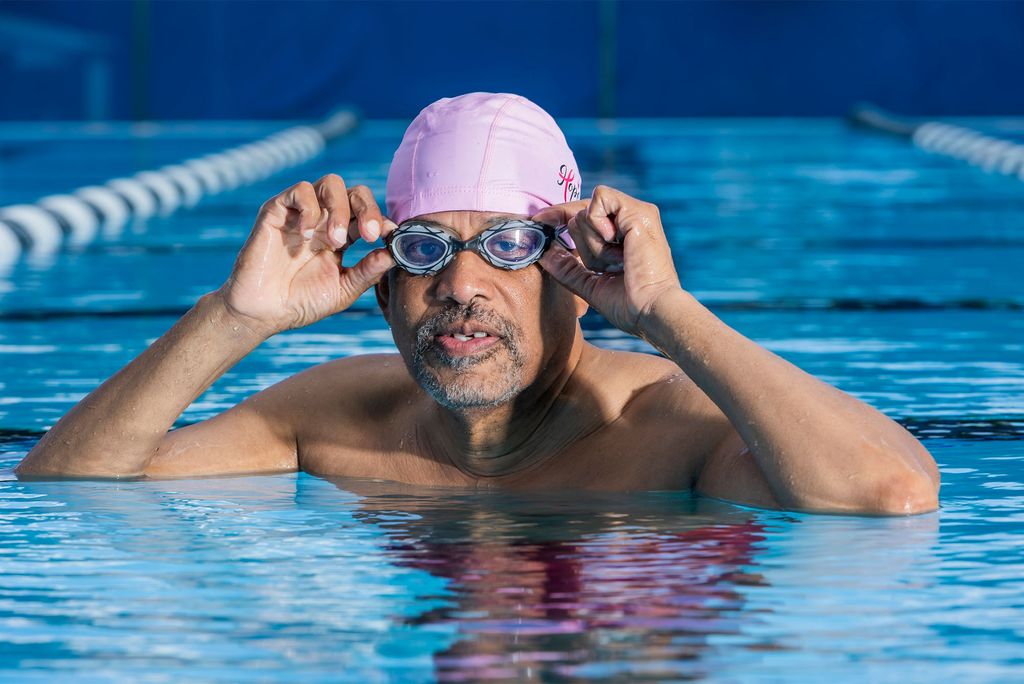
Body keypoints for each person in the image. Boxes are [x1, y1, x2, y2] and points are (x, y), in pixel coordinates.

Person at [15, 92, 940, 515]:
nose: (462, 286)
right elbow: (74, 485)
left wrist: (667, 313)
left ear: (578, 279)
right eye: (425, 249)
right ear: (382, 291)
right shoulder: (333, 416)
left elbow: (887, 496)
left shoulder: (675, 428)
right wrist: (236, 316)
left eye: (509, 246)